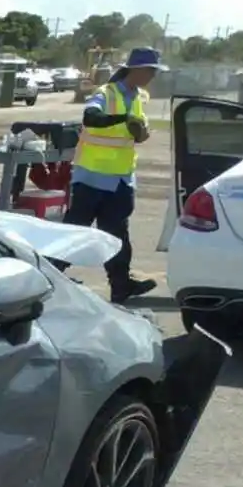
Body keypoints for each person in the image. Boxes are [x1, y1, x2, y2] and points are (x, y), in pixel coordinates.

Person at [64, 47, 162, 303]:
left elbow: (135, 134)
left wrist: (140, 133)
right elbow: (91, 117)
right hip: (92, 178)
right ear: (136, 69)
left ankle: (121, 285)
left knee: (118, 236)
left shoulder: (140, 97)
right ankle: (43, 279)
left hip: (120, 179)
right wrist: (122, 118)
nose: (153, 75)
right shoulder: (106, 93)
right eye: (150, 70)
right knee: (75, 233)